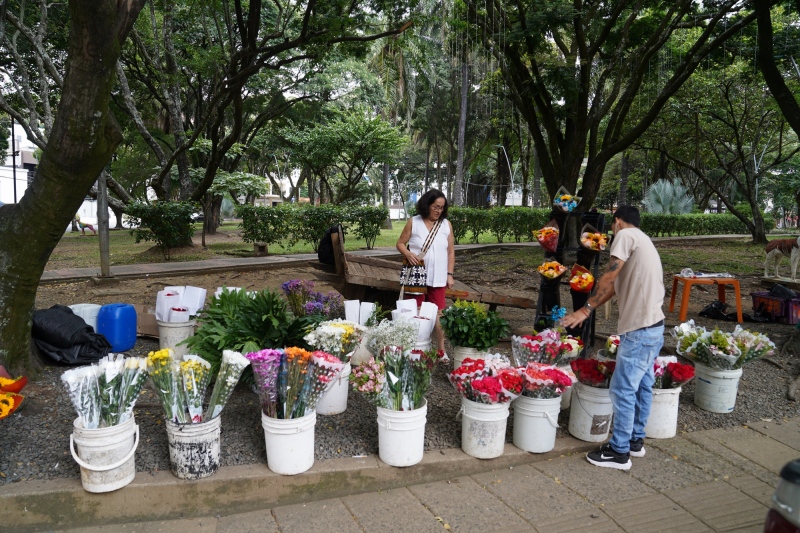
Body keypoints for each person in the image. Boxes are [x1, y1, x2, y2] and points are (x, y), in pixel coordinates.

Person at [561, 205, 665, 471]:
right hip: (653, 327)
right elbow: (613, 288)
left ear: (618, 221)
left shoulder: (626, 236)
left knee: (623, 389)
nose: (611, 231)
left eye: (612, 226)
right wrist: (588, 310)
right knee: (641, 385)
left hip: (640, 330)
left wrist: (584, 308)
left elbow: (609, 275)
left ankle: (619, 452)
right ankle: (634, 442)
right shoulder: (644, 242)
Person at [396, 189, 455, 357]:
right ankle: (416, 347)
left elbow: (451, 252)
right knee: (416, 311)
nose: (439, 211)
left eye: (442, 207)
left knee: (439, 313)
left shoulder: (446, 225)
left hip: (438, 275)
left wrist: (449, 274)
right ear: (426, 205)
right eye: (435, 206)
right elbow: (400, 243)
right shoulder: (413, 222)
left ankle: (441, 350)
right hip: (417, 276)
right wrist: (408, 254)